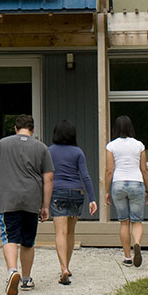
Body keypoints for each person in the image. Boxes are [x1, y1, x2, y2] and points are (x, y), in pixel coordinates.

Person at [0, 114, 53, 295]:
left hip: (8, 199)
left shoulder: (2, 144)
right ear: (33, 129)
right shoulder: (42, 148)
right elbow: (49, 178)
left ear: (15, 128)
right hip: (32, 200)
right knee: (28, 242)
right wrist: (45, 205)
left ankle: (12, 271)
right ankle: (26, 278)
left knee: (10, 237)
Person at [48, 119, 98, 285]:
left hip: (57, 192)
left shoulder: (49, 151)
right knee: (70, 232)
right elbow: (85, 176)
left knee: (60, 233)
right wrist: (92, 198)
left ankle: (63, 268)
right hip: (77, 193)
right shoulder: (78, 152)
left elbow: (45, 176)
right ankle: (67, 266)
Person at [105, 114, 148, 267]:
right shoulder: (139, 145)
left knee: (124, 223)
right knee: (136, 221)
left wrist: (106, 190)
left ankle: (127, 257)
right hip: (136, 182)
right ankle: (137, 243)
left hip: (118, 183)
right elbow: (144, 169)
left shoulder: (111, 146)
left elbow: (109, 170)